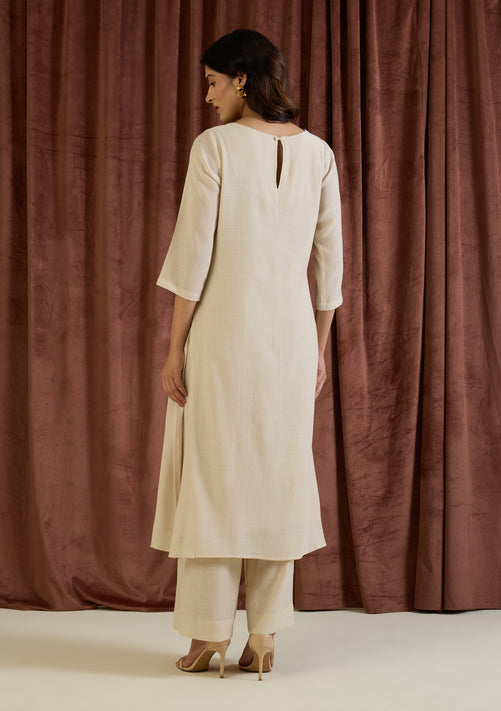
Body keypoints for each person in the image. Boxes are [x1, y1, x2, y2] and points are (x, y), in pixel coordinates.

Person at [151, 29, 343, 680]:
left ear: (240, 79)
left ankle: (208, 633)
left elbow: (192, 258)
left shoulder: (215, 147)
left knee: (213, 477)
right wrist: (317, 350)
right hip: (291, 340)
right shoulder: (320, 153)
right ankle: (263, 633)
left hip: (223, 336)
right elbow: (331, 266)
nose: (207, 97)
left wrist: (173, 348)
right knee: (276, 476)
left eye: (212, 82)